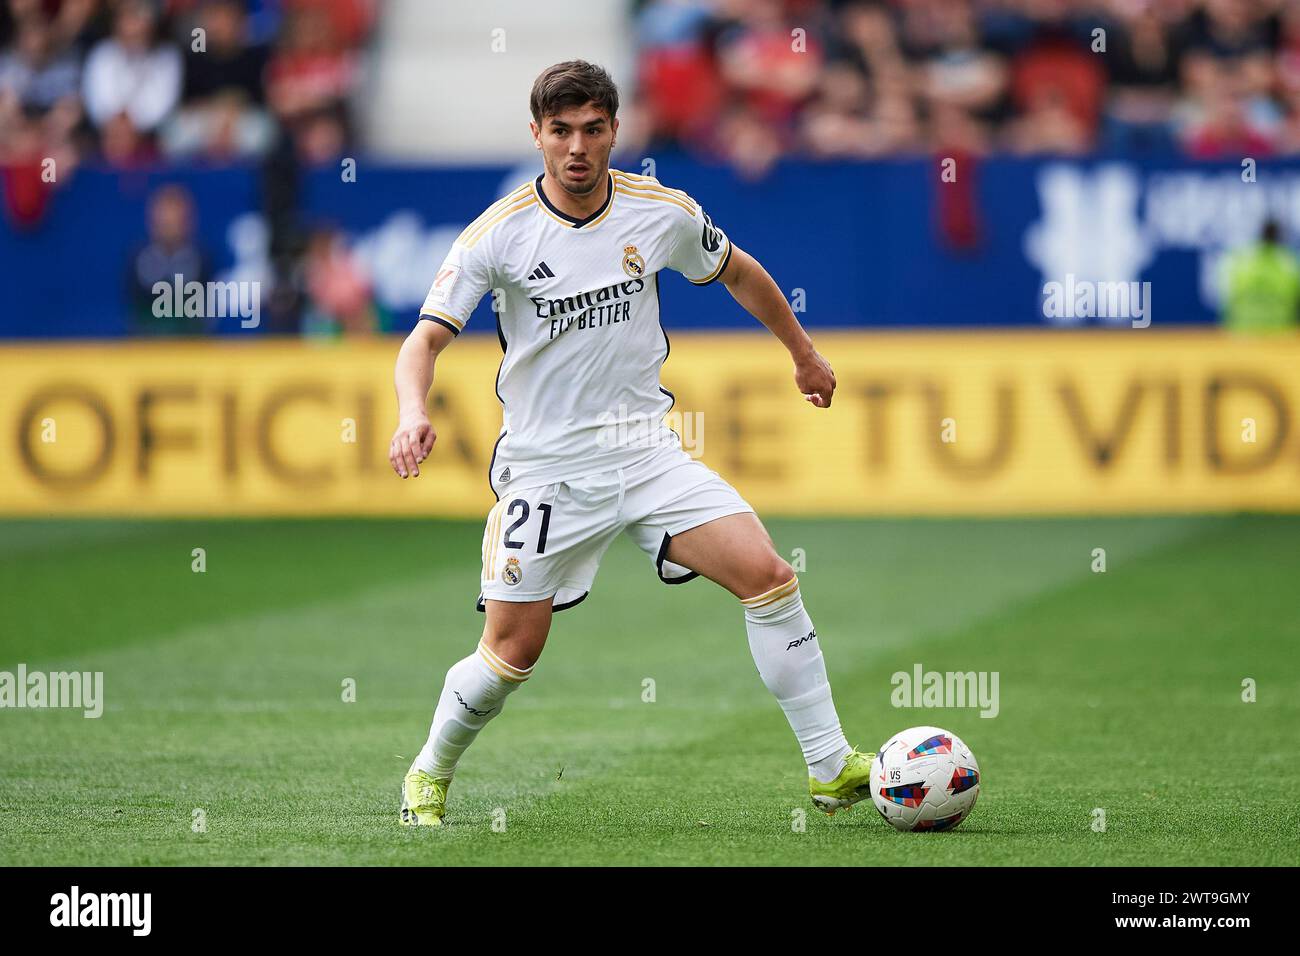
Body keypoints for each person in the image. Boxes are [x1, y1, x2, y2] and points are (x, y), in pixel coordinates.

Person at [389, 61, 872, 827]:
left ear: (615, 130)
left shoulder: (662, 213)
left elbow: (739, 272)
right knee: (509, 658)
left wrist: (803, 353)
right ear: (537, 136)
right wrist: (412, 410)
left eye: (592, 129)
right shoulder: (499, 233)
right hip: (547, 469)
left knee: (769, 576)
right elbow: (422, 341)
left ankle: (829, 766)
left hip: (646, 451)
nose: (576, 147)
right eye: (560, 132)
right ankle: (429, 771)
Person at [1221, 219, 1300, 333]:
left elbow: (1227, 302)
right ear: (1280, 238)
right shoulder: (1290, 266)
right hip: (1280, 338)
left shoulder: (1241, 264)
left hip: (1243, 336)